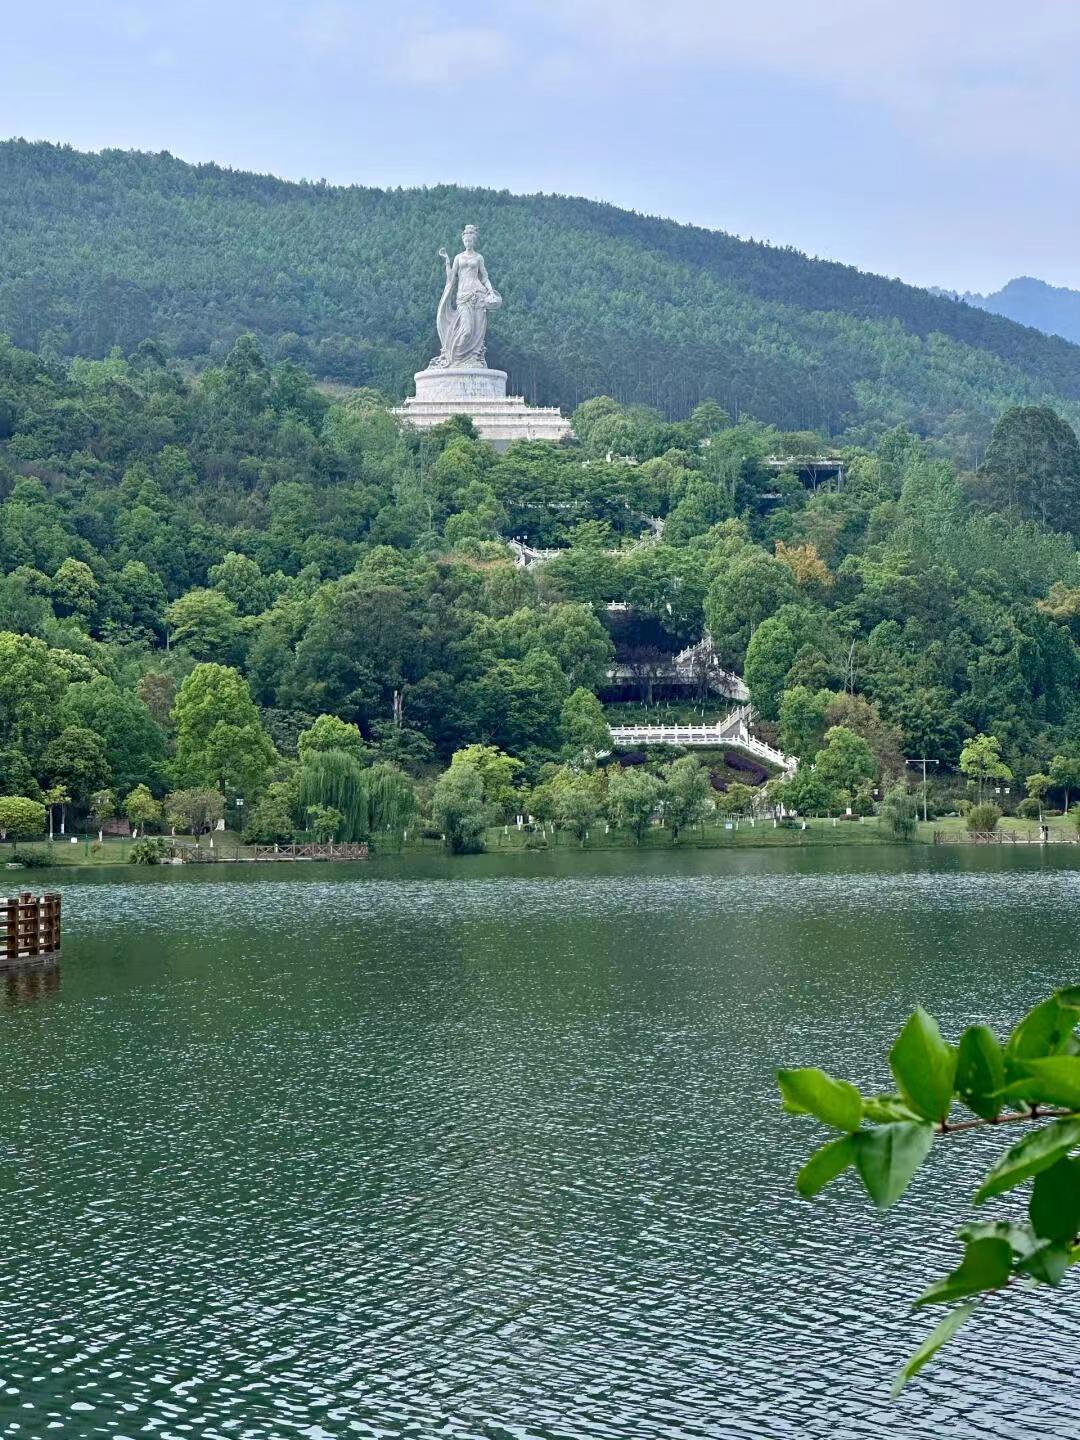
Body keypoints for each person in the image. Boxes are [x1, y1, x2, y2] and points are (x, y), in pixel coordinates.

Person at [430, 224, 501, 368]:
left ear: (474, 241)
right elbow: (452, 277)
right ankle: (455, 358)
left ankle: (474, 358)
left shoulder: (479, 257)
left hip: (478, 294)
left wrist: (491, 291)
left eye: (471, 241)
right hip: (463, 295)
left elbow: (484, 277)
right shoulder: (458, 257)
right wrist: (447, 261)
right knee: (467, 330)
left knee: (478, 330)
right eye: (466, 241)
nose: (468, 243)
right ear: (463, 241)